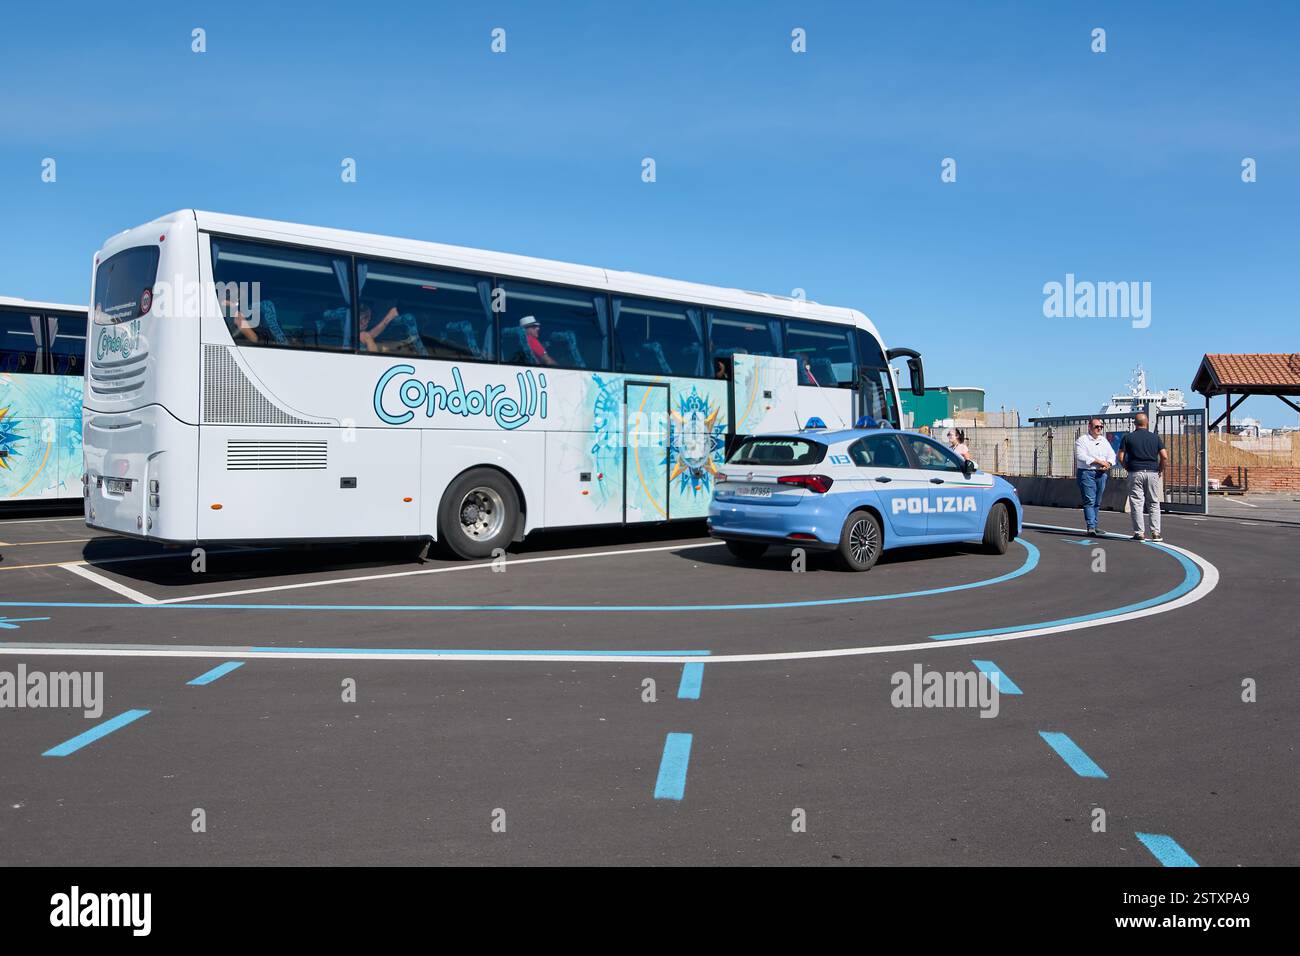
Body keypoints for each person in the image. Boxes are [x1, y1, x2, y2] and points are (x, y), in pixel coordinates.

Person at [1117, 412, 1168, 542]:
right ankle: (1156, 533)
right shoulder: (1155, 438)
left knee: (1136, 503)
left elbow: (1121, 457)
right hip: (1152, 472)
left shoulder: (1128, 438)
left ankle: (1139, 533)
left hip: (1135, 472)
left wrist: (1127, 467)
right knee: (1153, 503)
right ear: (1147, 423)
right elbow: (1164, 456)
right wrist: (1160, 469)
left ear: (1135, 423)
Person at [1074, 418, 1115, 535]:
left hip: (1101, 474)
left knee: (1097, 500)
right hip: (1087, 473)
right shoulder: (1082, 440)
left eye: (1100, 427)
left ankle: (1095, 525)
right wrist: (1098, 462)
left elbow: (1111, 455)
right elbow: (1081, 456)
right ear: (1090, 427)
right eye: (1096, 426)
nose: (1099, 429)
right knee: (1089, 500)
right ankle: (1090, 526)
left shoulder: (1104, 440)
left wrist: (1108, 464)